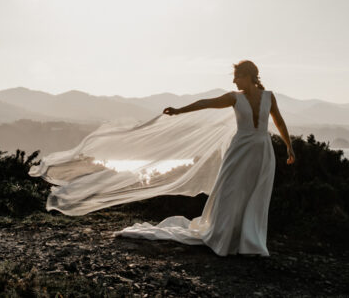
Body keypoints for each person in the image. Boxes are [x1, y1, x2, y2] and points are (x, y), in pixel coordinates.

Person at [114, 60, 295, 256]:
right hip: (240, 149)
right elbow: (206, 103)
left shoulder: (269, 97)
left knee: (256, 192)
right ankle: (224, 236)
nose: (234, 81)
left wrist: (289, 146)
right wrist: (179, 110)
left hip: (262, 150)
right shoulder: (234, 98)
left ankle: (250, 242)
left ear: (248, 76)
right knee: (229, 190)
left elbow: (278, 121)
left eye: (237, 76)